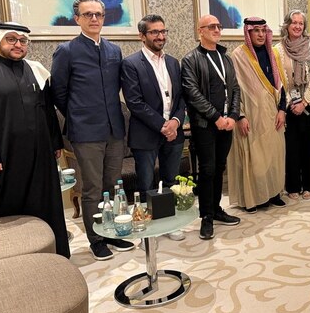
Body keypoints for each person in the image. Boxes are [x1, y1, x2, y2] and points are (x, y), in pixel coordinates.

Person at [0, 22, 70, 257]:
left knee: (46, 203)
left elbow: (48, 111)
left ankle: (54, 254)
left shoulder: (36, 71)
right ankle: (9, 257)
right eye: (11, 39)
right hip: (5, 157)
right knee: (8, 209)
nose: (18, 45)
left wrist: (55, 143)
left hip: (41, 154)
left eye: (22, 41)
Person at [51, 0, 134, 260]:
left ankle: (112, 232)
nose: (94, 18)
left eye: (98, 14)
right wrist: (78, 115)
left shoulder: (113, 50)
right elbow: (58, 92)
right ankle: (96, 239)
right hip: (86, 132)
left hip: (115, 129)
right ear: (77, 19)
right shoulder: (67, 51)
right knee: (93, 189)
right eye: (88, 14)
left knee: (114, 185)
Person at [121, 14, 187, 240]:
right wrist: (162, 125)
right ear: (142, 36)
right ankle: (146, 230)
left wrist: (175, 122)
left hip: (174, 132)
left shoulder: (173, 62)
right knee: (146, 184)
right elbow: (134, 102)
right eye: (154, 32)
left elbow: (181, 98)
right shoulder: (131, 64)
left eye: (163, 31)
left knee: (171, 181)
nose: (160, 36)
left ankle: (169, 223)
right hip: (146, 134)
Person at [181, 14, 242, 240]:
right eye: (211, 26)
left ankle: (216, 209)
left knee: (219, 167)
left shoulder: (226, 58)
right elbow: (192, 93)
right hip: (206, 124)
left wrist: (233, 116)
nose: (217, 30)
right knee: (207, 170)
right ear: (200, 31)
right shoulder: (191, 59)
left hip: (227, 124)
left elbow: (235, 88)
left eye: (219, 26)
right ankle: (206, 216)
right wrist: (216, 117)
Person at [228, 17, 287, 213]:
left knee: (274, 155)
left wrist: (282, 109)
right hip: (251, 115)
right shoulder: (238, 56)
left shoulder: (273, 53)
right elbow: (233, 89)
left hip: (273, 113)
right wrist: (240, 116)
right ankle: (256, 198)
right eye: (256, 31)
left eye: (263, 30)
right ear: (248, 33)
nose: (261, 34)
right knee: (255, 158)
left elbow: (281, 85)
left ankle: (274, 193)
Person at [274, 10, 310, 201]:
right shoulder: (278, 49)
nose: (297, 26)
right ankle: (293, 186)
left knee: (309, 146)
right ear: (287, 25)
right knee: (291, 147)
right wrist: (291, 102)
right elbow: (279, 80)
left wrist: (304, 102)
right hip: (288, 106)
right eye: (294, 23)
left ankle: (309, 185)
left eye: (301, 23)